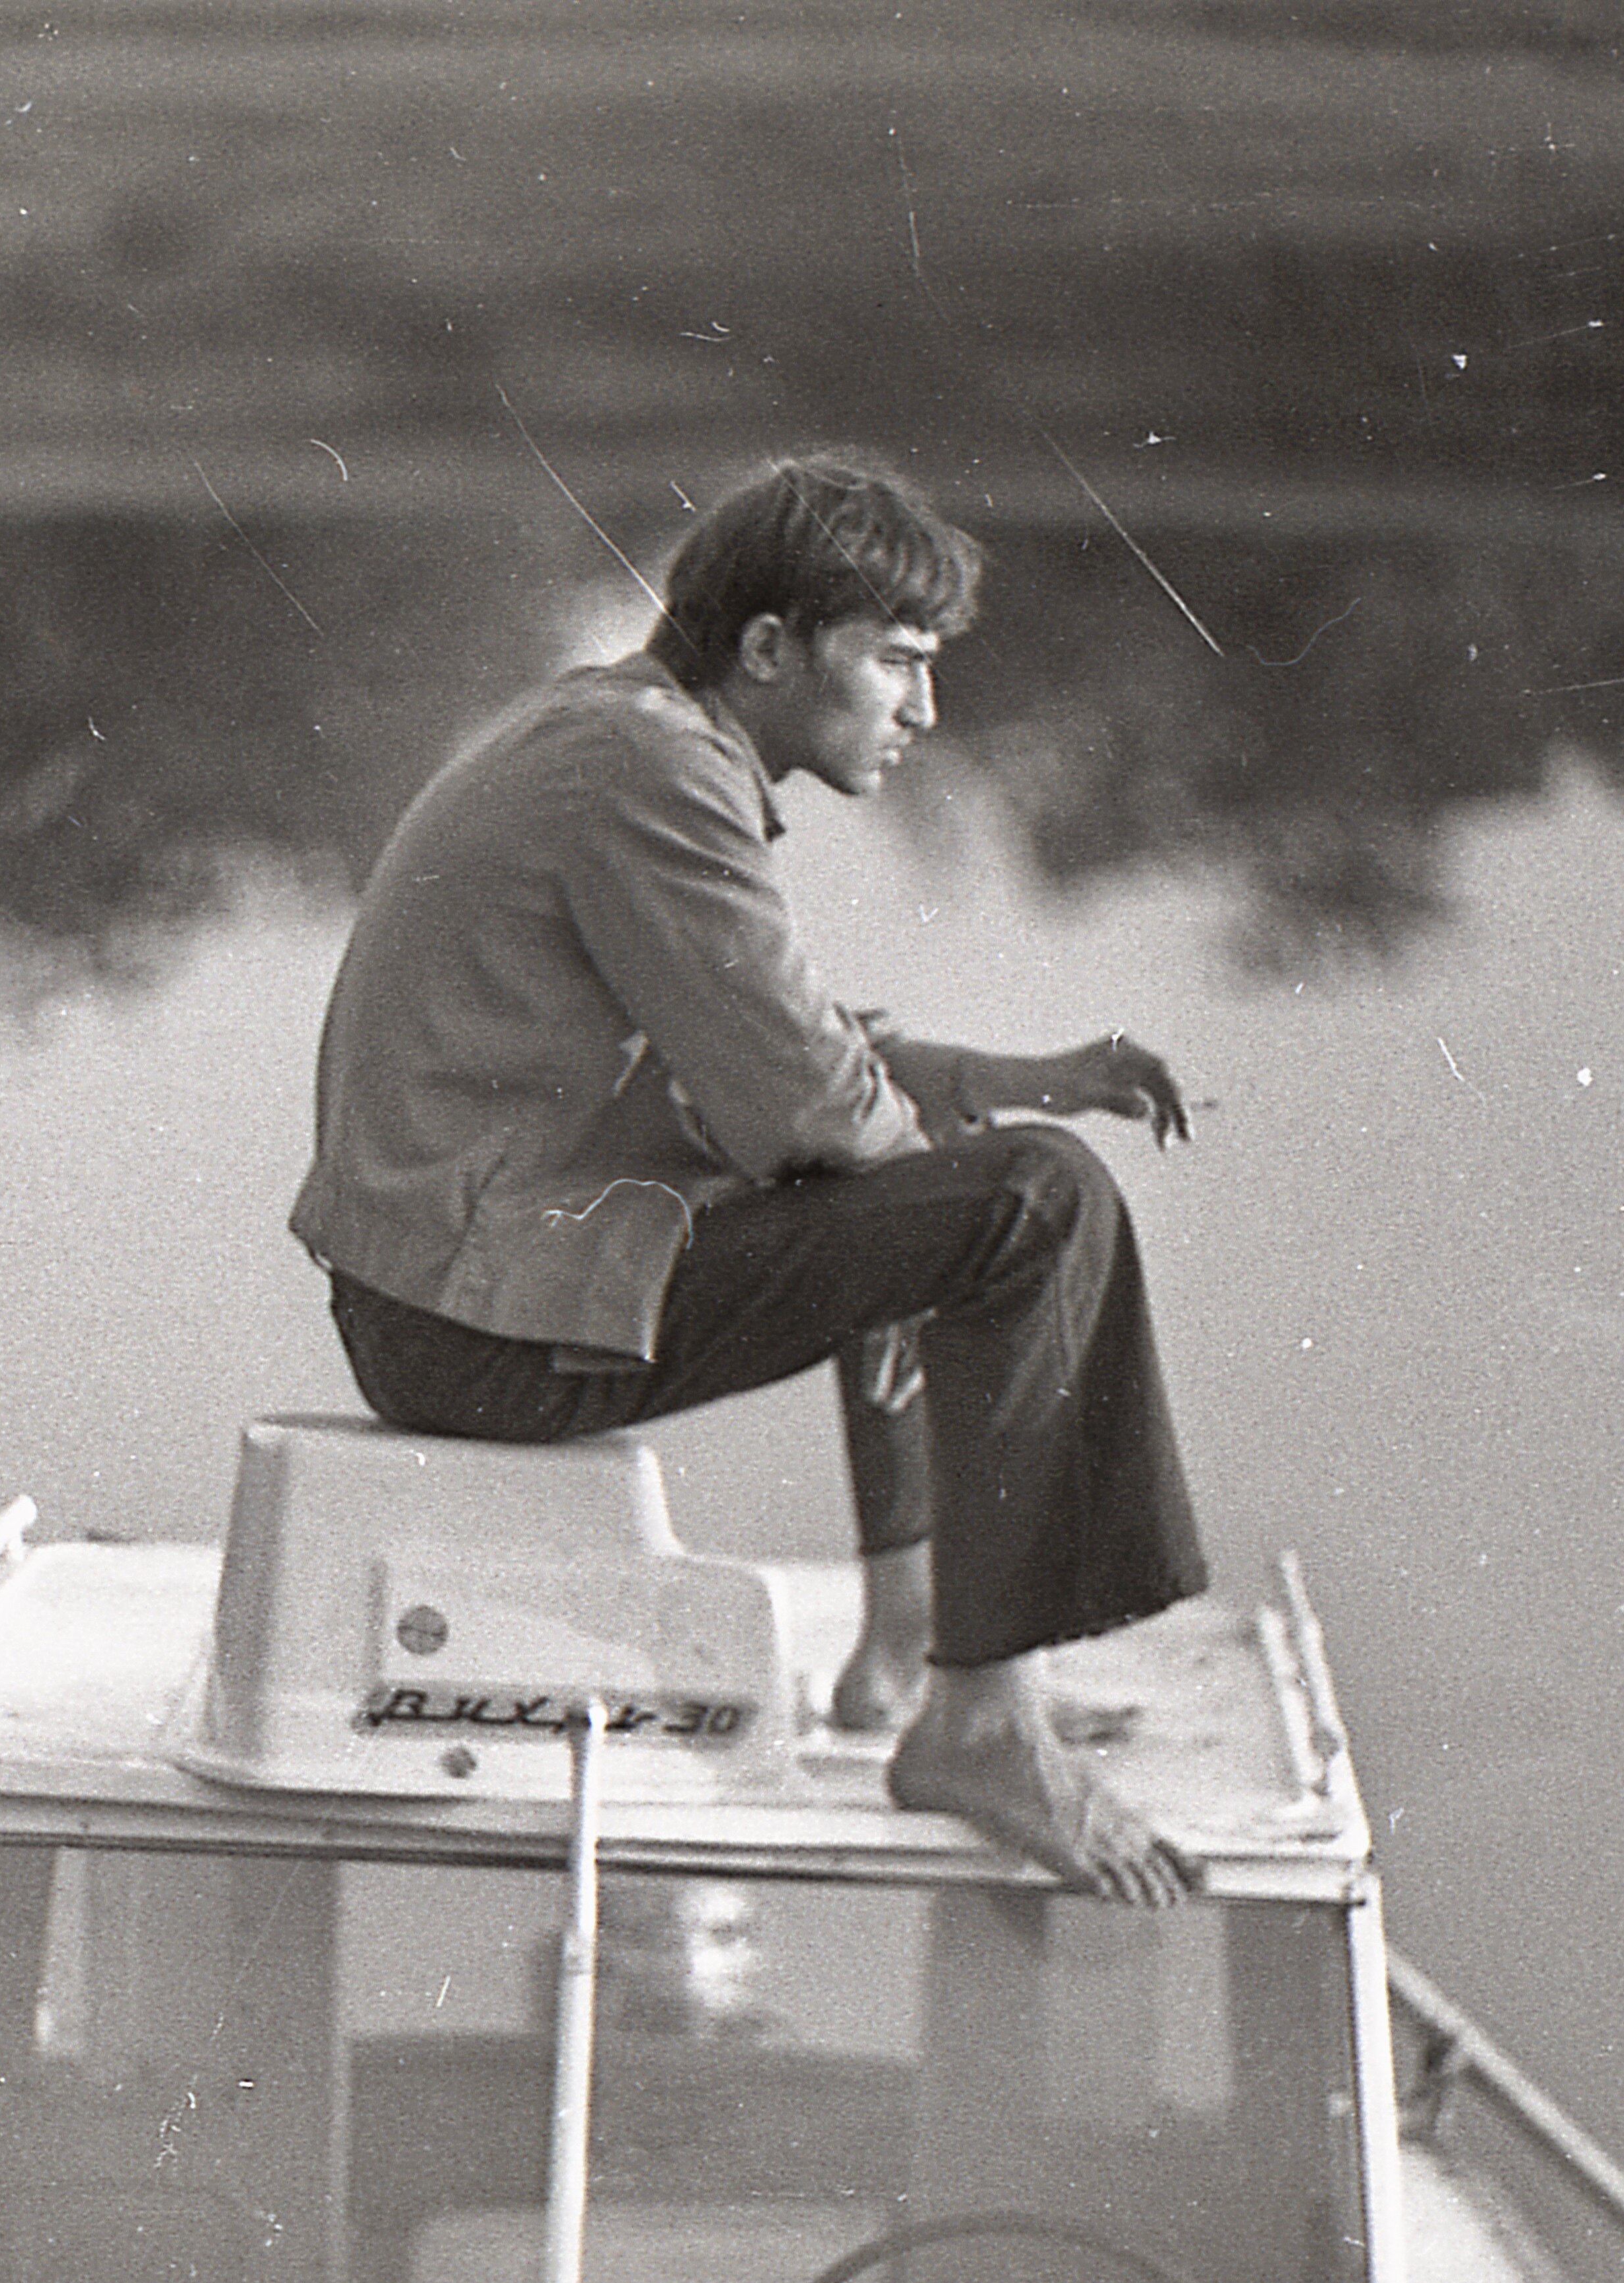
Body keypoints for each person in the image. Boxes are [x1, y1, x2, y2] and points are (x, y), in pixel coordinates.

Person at [288, 447, 1211, 1906]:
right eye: (897, 661)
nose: (925, 709)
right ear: (771, 648)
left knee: (948, 1194)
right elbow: (812, 1110)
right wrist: (953, 1197)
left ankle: (914, 1645)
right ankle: (981, 1720)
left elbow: (764, 1055)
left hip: (454, 1293)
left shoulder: (621, 734)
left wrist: (1000, 1082)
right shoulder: (658, 775)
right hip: (472, 1326)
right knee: (1035, 1203)